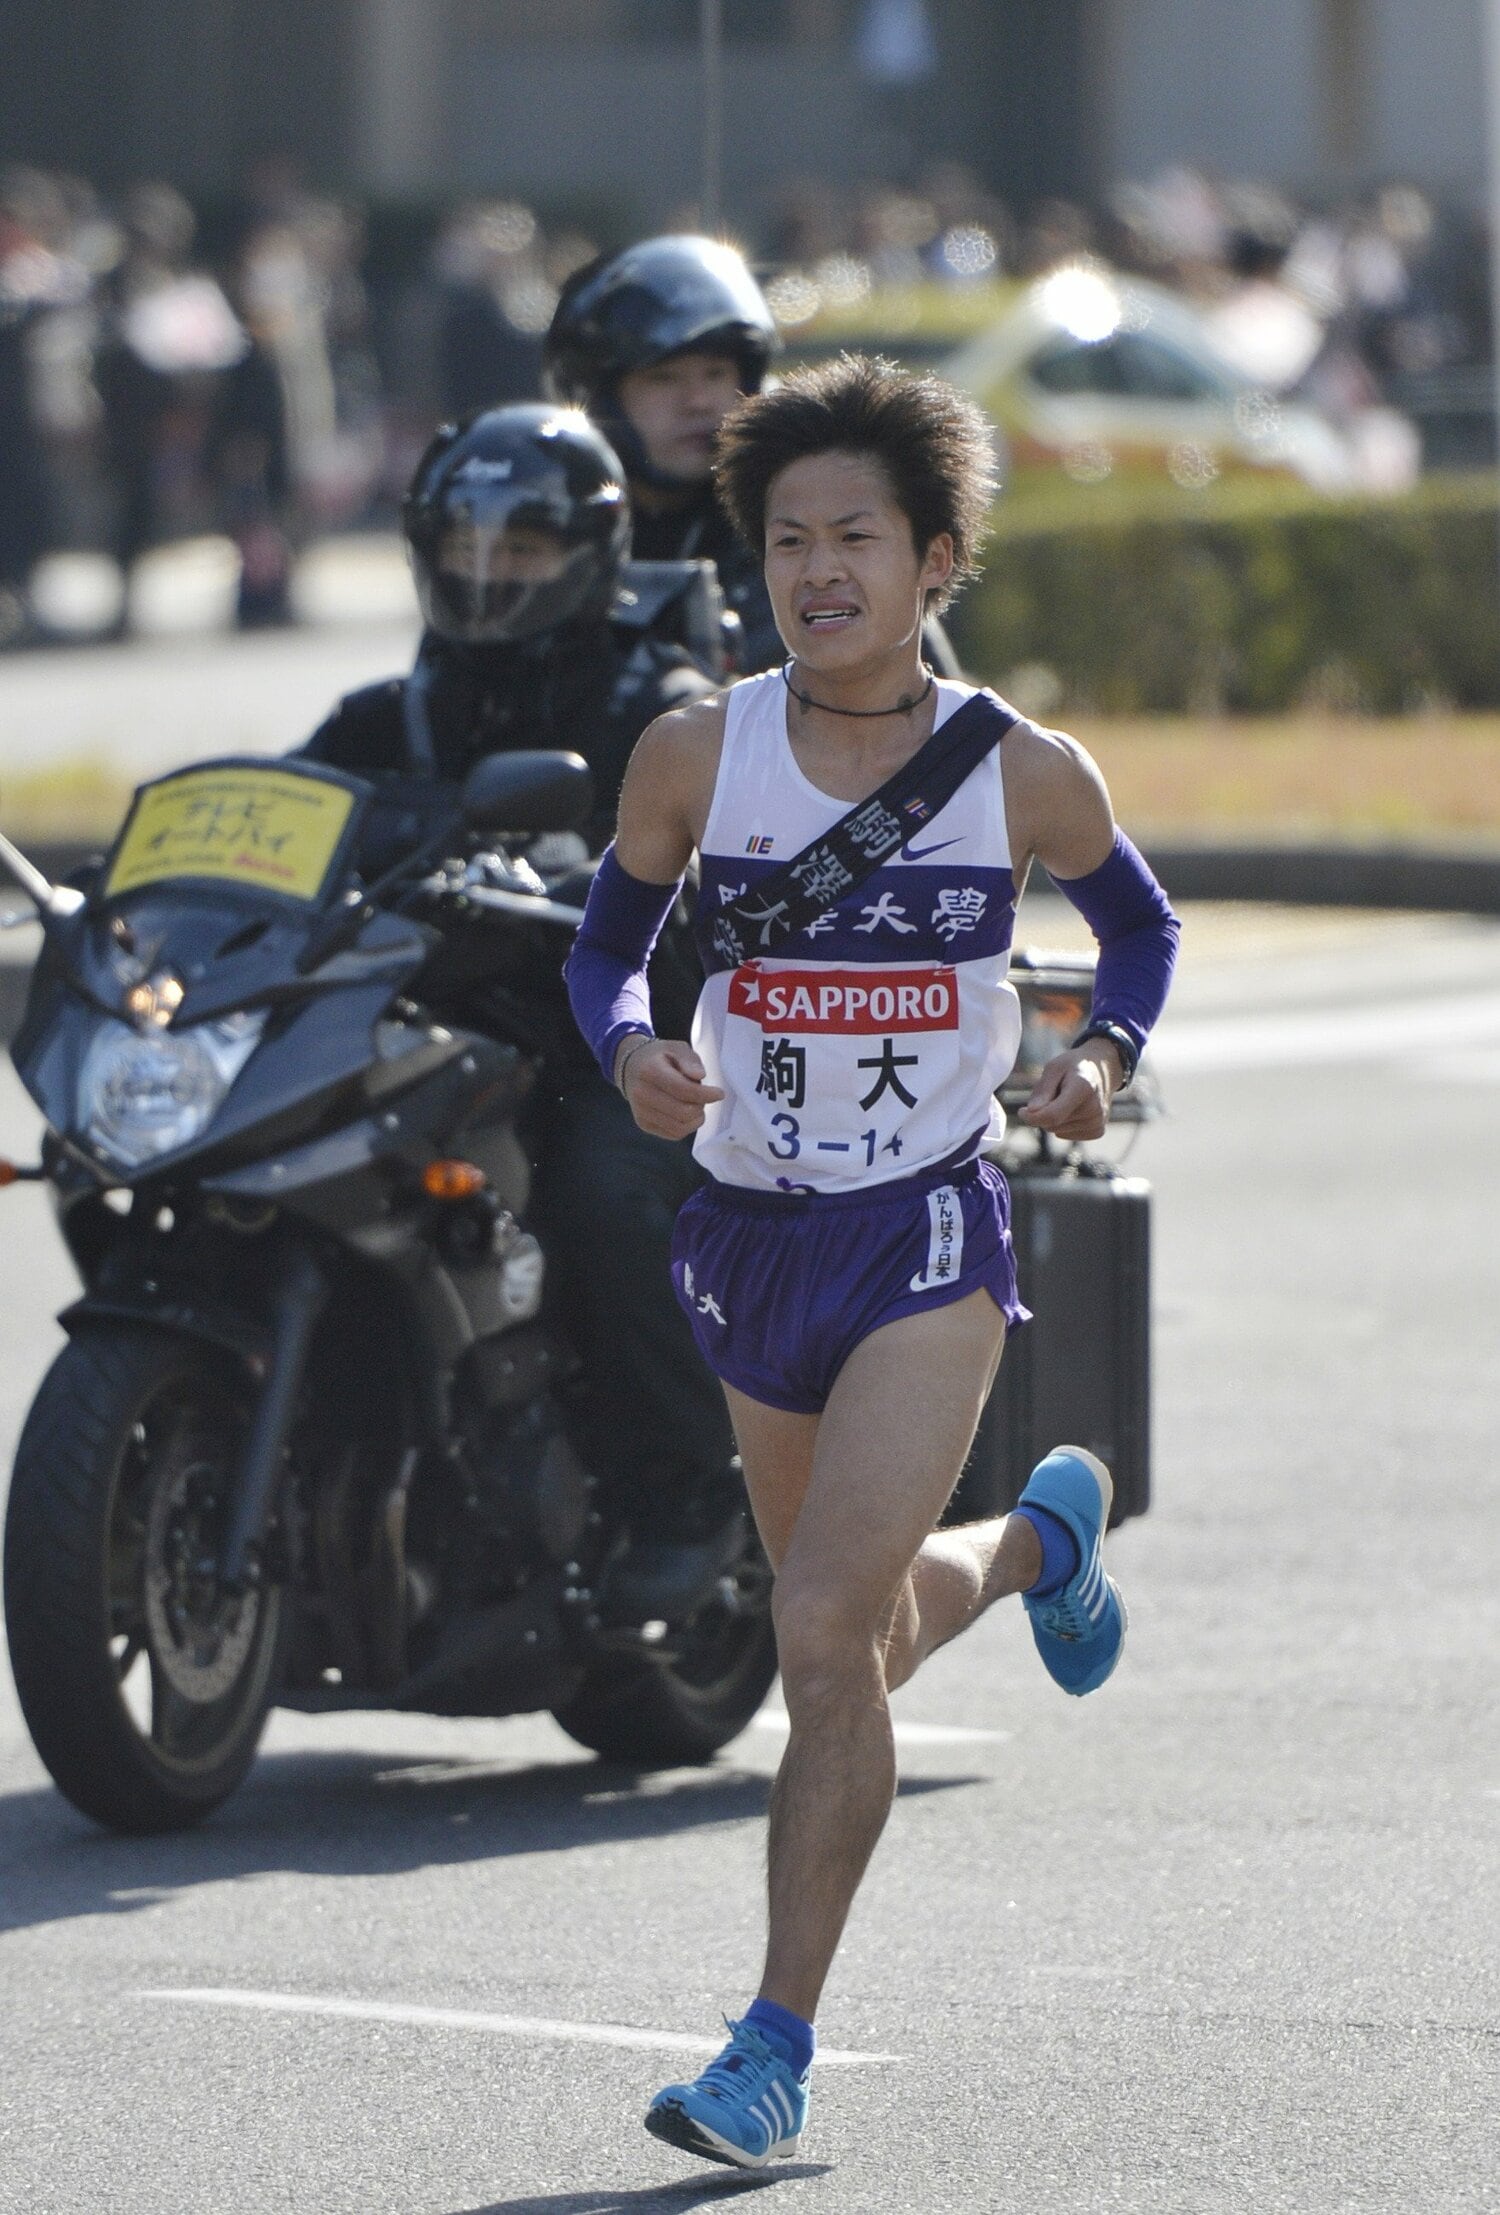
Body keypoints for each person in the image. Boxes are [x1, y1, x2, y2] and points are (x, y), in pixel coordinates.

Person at [566, 353, 1179, 2167]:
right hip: (745, 1238)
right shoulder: (698, 750)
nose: (815, 571)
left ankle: (770, 2049)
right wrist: (631, 1051)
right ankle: (1046, 1538)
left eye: (854, 539)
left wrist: (1099, 1059)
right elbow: (604, 952)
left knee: (817, 1627)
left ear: (933, 562)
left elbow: (1136, 926)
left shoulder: (1017, 770)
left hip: (926, 1232)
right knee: (861, 1639)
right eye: (785, 542)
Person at [299, 402, 744, 1604]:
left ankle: (693, 1491)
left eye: (526, 552)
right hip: (439, 1030)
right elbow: (284, 822)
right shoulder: (393, 713)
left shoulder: (665, 699)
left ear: (591, 555)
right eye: (467, 549)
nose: (489, 577)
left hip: (630, 1043)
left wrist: (580, 881)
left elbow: (712, 860)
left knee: (600, 1193)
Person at [542, 234, 786, 672]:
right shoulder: (553, 522)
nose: (698, 401)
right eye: (664, 378)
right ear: (600, 395)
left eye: (715, 374)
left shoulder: (794, 517)